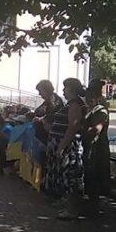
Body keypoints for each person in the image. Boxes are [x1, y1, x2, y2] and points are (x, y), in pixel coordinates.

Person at [45, 78, 87, 219]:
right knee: (65, 177)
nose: (63, 91)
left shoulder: (75, 105)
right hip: (61, 143)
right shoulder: (70, 104)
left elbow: (72, 127)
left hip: (69, 146)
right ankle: (67, 206)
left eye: (65, 88)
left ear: (72, 89)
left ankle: (71, 209)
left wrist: (62, 146)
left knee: (70, 177)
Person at [83, 79, 111, 214]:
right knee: (90, 175)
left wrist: (80, 130)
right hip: (91, 146)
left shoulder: (101, 110)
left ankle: (94, 206)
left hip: (97, 147)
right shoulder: (92, 108)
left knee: (95, 175)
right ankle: (91, 203)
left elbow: (96, 130)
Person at [32, 80, 64, 145]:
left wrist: (40, 119)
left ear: (46, 90)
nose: (39, 94)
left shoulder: (54, 101)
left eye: (40, 91)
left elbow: (50, 118)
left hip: (50, 136)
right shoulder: (49, 100)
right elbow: (38, 111)